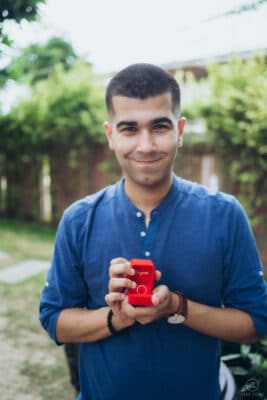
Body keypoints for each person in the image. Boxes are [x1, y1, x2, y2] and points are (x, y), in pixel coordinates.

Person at [39, 63, 267, 400]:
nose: (146, 145)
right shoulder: (78, 220)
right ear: (110, 135)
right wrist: (116, 318)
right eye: (129, 128)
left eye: (159, 126)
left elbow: (256, 323)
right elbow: (54, 319)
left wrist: (176, 306)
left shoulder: (224, 215)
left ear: (180, 130)